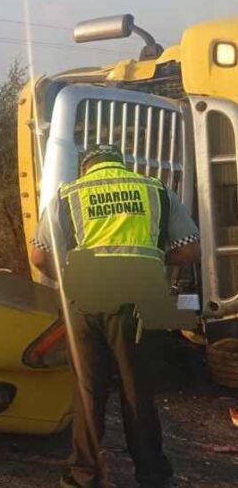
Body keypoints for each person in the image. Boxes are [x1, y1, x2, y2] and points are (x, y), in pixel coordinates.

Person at [30, 144, 201, 488]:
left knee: (88, 390)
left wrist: (70, 273)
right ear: (121, 165)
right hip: (140, 296)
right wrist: (148, 260)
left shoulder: (69, 194)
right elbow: (189, 248)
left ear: (86, 168)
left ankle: (84, 475)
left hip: (86, 295)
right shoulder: (155, 189)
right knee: (138, 389)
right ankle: (152, 476)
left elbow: (38, 256)